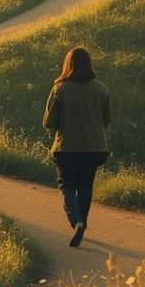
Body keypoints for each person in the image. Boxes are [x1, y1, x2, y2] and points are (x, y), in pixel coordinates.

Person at [42, 46, 111, 247]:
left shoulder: (60, 89)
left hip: (67, 148)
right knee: (85, 186)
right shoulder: (102, 89)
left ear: (68, 64)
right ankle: (83, 223)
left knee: (67, 186)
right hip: (96, 148)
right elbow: (107, 119)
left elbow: (49, 122)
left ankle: (77, 221)